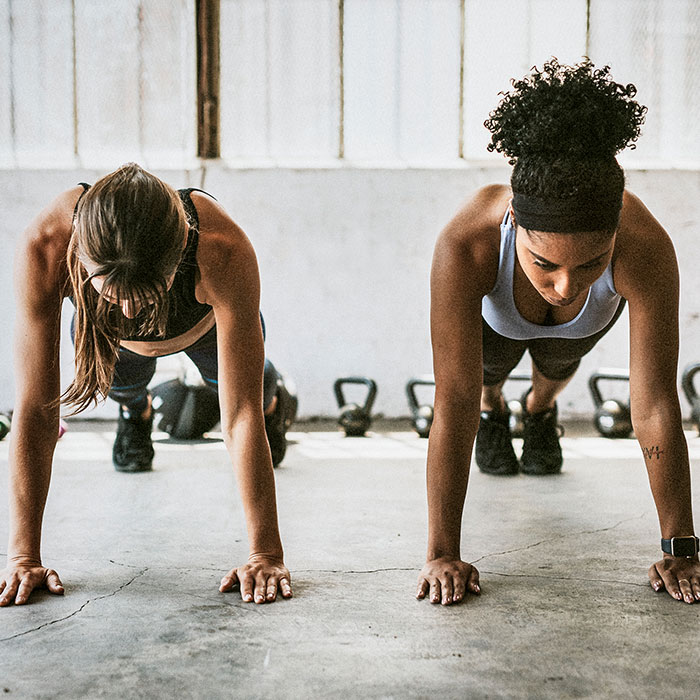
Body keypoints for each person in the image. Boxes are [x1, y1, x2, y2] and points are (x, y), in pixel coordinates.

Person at [417, 59, 699, 606]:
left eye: (592, 264)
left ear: (616, 232)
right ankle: (496, 408)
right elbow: (448, 403)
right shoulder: (466, 243)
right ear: (514, 225)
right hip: (493, 327)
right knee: (482, 381)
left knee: (555, 370)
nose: (566, 286)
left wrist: (681, 546)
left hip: (570, 338)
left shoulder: (646, 248)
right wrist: (441, 551)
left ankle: (538, 410)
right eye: (544, 263)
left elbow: (656, 405)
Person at [1, 163, 294, 606]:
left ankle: (278, 403)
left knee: (250, 393)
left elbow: (238, 417)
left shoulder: (221, 248)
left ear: (178, 257)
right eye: (113, 293)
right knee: (120, 385)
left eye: (147, 295)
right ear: (79, 256)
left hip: (205, 331)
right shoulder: (46, 244)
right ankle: (134, 412)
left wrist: (266, 553)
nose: (133, 313)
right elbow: (36, 410)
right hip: (111, 340)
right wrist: (23, 556)